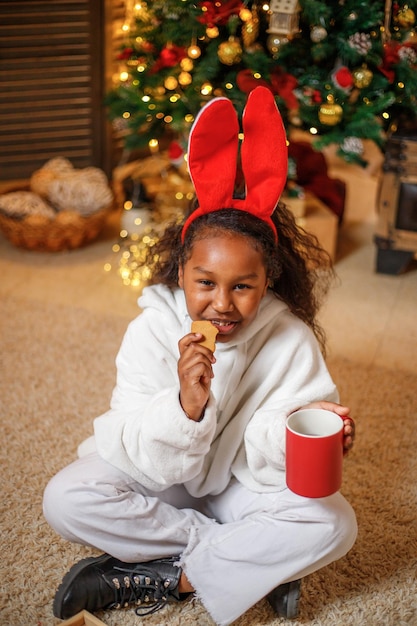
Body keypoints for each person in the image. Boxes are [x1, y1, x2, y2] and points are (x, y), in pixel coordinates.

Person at [43, 87, 357, 626]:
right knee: (66, 498)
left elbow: (280, 448)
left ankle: (170, 576)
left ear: (268, 282)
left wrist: (307, 428)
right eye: (205, 282)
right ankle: (250, 561)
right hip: (164, 478)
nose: (222, 304)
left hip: (241, 485)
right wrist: (186, 407)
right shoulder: (150, 330)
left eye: (243, 286)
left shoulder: (290, 339)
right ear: (181, 273)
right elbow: (131, 437)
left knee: (334, 522)